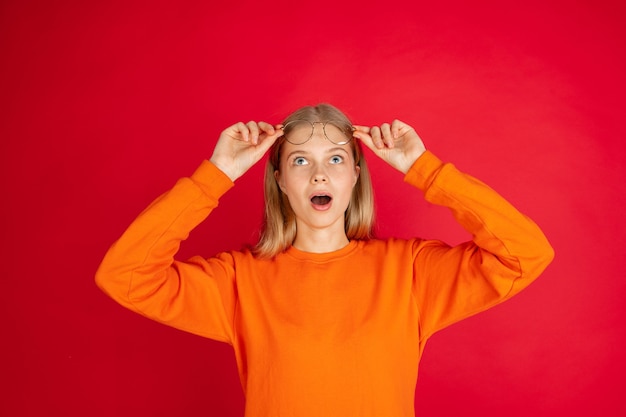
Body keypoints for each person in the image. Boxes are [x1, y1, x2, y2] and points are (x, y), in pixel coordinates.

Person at [95, 103, 554, 417]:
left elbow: (524, 253)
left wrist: (425, 168)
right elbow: (126, 276)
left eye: (335, 159)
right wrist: (217, 174)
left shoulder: (410, 272)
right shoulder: (238, 280)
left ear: (356, 174)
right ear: (278, 179)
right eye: (299, 161)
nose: (318, 172)